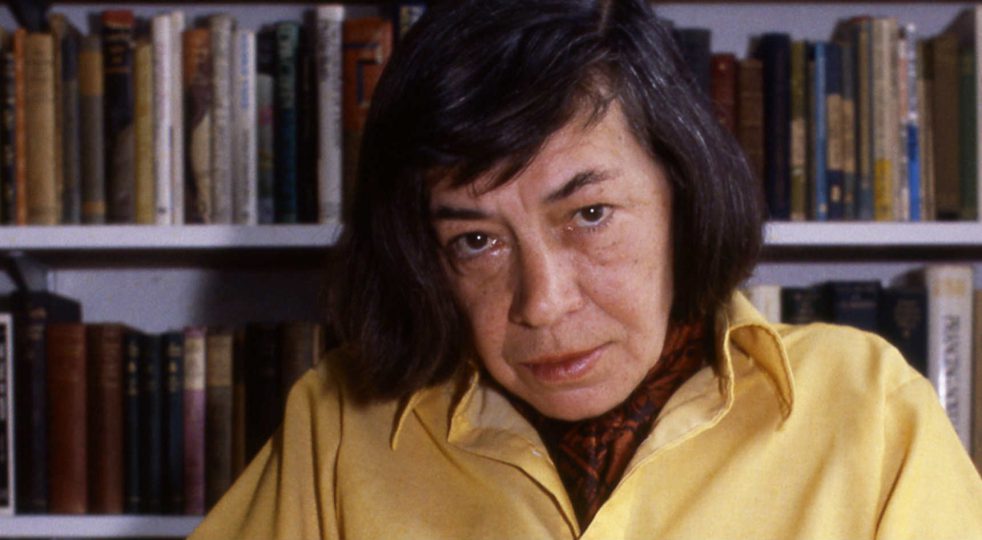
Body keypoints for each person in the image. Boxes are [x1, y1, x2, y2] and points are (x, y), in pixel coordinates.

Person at [190, 1, 982, 538]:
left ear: (682, 190)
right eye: (477, 241)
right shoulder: (338, 421)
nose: (542, 303)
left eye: (590, 215)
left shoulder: (870, 411)